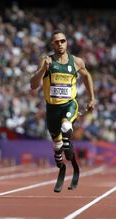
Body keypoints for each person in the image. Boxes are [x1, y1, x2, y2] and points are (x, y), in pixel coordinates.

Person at [30, 29, 95, 191]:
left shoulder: (76, 62)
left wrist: (91, 98)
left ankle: (70, 154)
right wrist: (42, 70)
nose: (60, 44)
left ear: (67, 42)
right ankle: (61, 165)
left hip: (69, 105)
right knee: (57, 147)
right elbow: (33, 85)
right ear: (52, 44)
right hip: (52, 108)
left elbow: (87, 76)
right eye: (57, 42)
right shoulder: (47, 61)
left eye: (63, 41)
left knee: (66, 126)